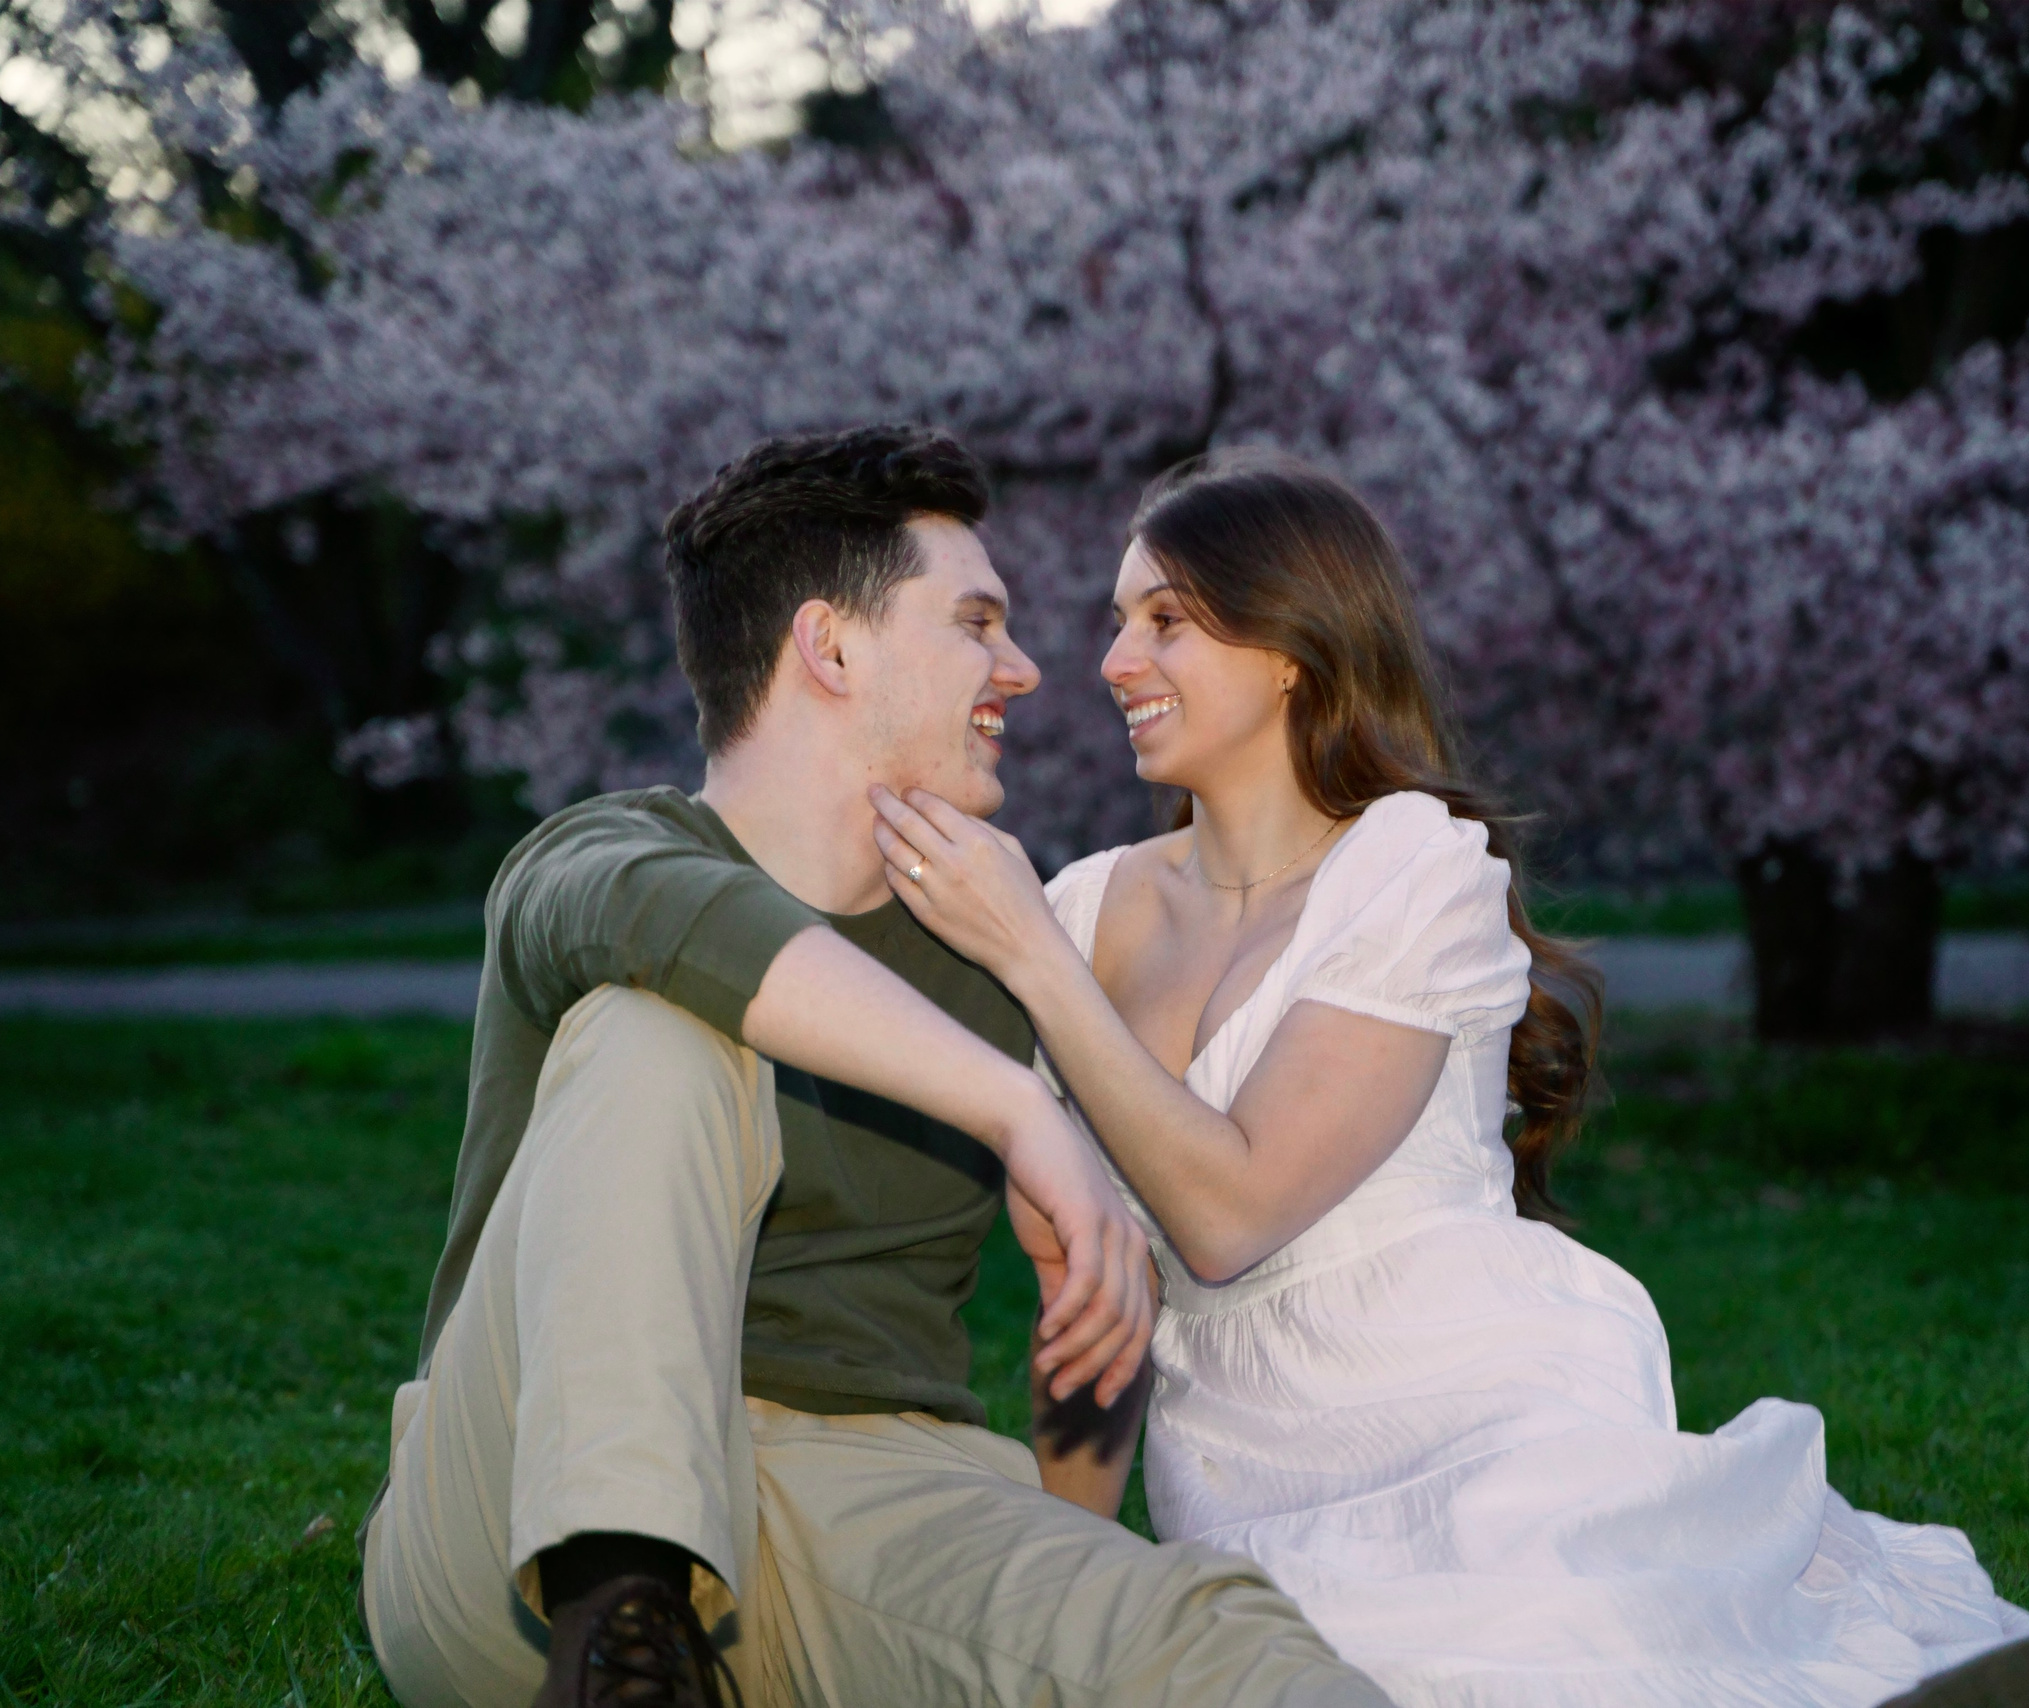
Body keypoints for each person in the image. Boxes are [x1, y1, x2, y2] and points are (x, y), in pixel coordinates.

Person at [865, 449, 2029, 1708]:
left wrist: (1034, 962)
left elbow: (1230, 1212)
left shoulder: (1414, 870)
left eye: (1165, 621)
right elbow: (1084, 1305)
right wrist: (1069, 1603)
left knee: (1539, 1632)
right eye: (1116, 621)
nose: (1111, 662)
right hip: (1250, 1472)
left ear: (1288, 649)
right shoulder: (1084, 911)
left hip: (1482, 1406)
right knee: (1335, 1671)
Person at [358, 426, 1401, 1708]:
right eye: (976, 621)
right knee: (656, 1028)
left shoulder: (995, 954)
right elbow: (697, 932)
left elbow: (1088, 1334)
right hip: (519, 1518)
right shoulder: (595, 860)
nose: (1023, 670)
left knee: (1216, 1642)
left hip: (873, 1498)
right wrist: (1017, 1107)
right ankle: (621, 1611)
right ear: (830, 647)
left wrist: (1064, 1557)